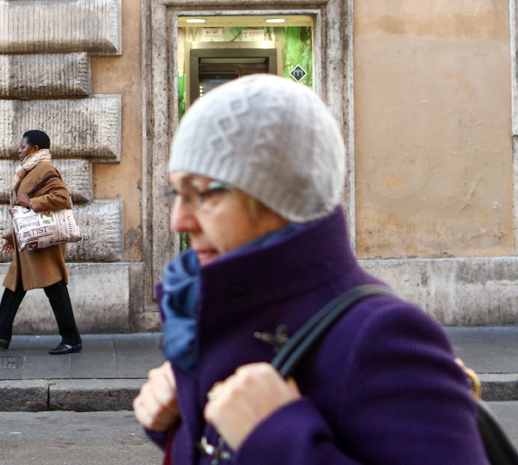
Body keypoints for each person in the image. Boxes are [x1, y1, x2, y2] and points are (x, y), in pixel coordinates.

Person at [133, 75, 487, 464]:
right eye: (175, 193)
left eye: (200, 193)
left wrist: (274, 437)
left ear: (275, 194)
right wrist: (179, 427)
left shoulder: (380, 335)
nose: (178, 220)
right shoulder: (208, 316)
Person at [0, 130, 83, 355]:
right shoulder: (30, 171)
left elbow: (62, 198)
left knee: (55, 288)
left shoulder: (45, 169)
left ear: (35, 149)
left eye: (23, 147)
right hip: (30, 244)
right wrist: (12, 235)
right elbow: (25, 214)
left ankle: (72, 339)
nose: (19, 150)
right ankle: (0, 334)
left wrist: (31, 202)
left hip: (43, 246)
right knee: (14, 287)